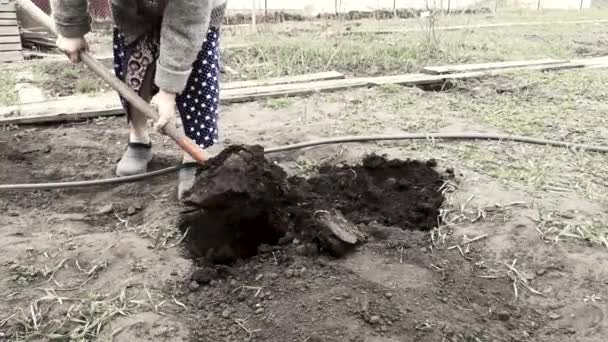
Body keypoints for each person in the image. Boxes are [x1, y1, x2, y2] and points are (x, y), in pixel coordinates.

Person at [50, 0, 227, 199]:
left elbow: (189, 17)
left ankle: (194, 150)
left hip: (194, 14)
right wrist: (70, 27)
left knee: (197, 81)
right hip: (131, 11)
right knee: (133, 76)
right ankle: (139, 138)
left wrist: (168, 91)